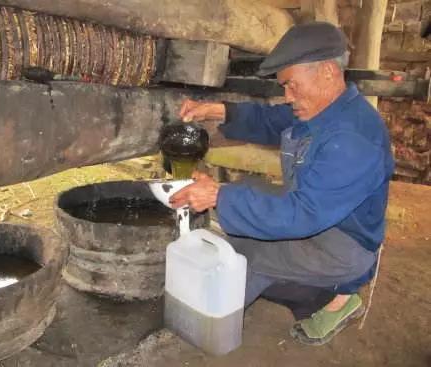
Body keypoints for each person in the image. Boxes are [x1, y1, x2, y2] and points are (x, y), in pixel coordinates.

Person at [169, 22, 395, 346]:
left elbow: (301, 215)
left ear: (328, 72)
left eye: (291, 85)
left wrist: (219, 195)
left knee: (246, 249)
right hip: (321, 218)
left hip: (344, 246)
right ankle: (294, 285)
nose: (287, 97)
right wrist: (217, 111)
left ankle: (327, 298)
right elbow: (271, 121)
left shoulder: (353, 139)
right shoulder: (326, 108)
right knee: (250, 195)